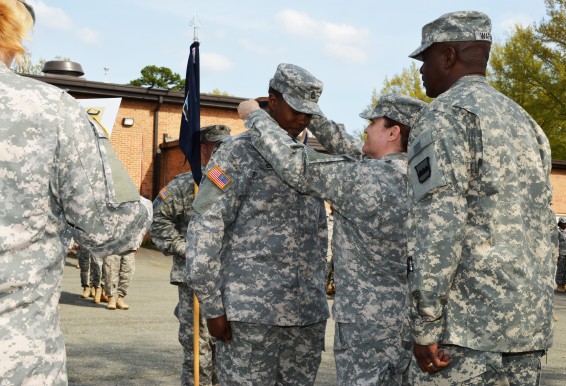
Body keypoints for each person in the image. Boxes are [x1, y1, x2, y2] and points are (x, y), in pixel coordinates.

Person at [0, 1, 152, 384]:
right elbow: (110, 227)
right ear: (15, 37)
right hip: (16, 358)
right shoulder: (50, 109)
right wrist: (150, 209)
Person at [406, 11, 556, 385]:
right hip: (526, 327)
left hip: (466, 332)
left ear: (448, 56)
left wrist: (425, 324)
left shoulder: (443, 115)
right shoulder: (525, 121)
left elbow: (438, 224)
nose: (421, 70)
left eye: (425, 59)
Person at [239, 92, 427, 384]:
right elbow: (354, 148)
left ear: (393, 132)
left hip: (367, 326)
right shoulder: (421, 179)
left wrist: (255, 117)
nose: (364, 128)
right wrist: (310, 114)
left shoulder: (366, 179)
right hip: (410, 320)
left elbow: (294, 164)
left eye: (372, 123)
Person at [186, 63, 329, 386]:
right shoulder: (237, 154)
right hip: (250, 315)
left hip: (306, 316)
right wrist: (212, 306)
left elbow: (320, 232)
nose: (303, 119)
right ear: (273, 101)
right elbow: (206, 229)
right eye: (296, 109)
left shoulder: (306, 159)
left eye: (309, 112)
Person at [151, 124, 230, 386]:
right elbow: (158, 220)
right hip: (193, 280)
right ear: (203, 149)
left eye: (226, 147)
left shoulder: (233, 184)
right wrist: (187, 249)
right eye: (217, 147)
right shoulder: (186, 185)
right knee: (198, 348)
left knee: (229, 350)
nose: (223, 153)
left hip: (230, 280)